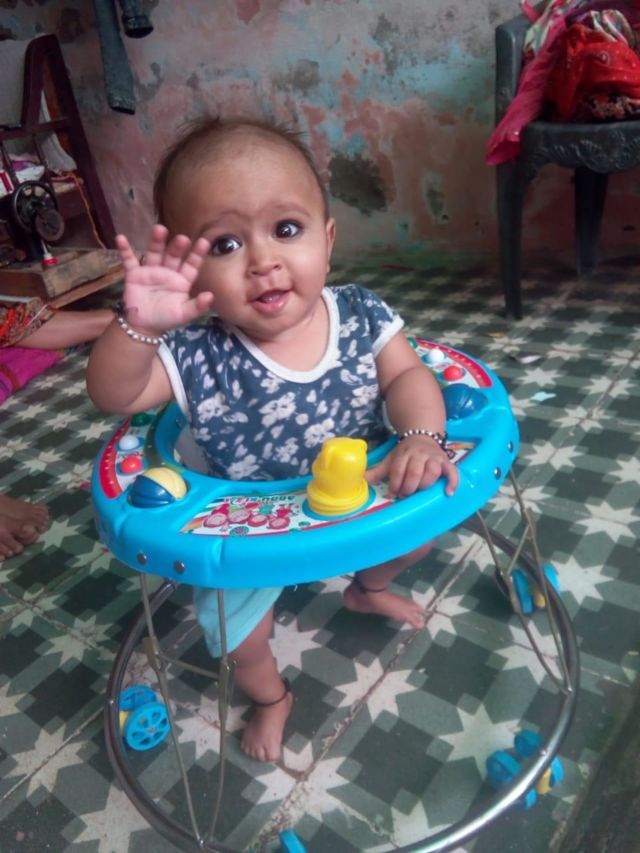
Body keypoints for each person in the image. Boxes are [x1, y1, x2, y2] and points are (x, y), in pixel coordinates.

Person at [86, 116, 460, 763]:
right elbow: (114, 395)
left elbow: (407, 374)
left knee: (418, 533)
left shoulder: (360, 314)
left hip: (360, 492)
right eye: (226, 244)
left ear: (327, 239)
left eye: (287, 229)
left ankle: (366, 589)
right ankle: (270, 698)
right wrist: (139, 326)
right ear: (192, 274)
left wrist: (422, 436)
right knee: (236, 636)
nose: (263, 262)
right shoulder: (196, 353)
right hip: (249, 522)